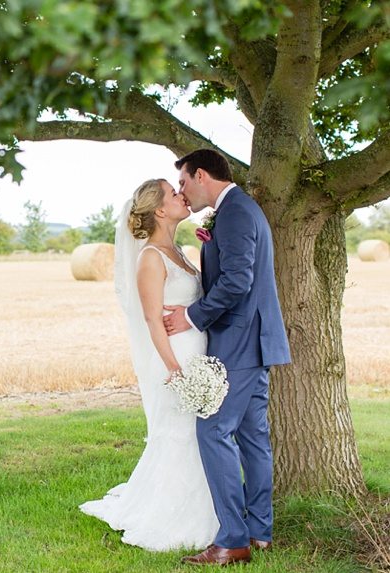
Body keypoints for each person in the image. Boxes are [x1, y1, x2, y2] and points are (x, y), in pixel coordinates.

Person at [163, 149, 291, 566]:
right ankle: (260, 532)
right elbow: (236, 272)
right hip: (254, 342)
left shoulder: (235, 212)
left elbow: (238, 281)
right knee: (253, 438)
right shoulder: (239, 210)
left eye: (183, 182)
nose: (182, 190)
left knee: (212, 431)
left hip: (237, 343)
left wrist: (192, 316)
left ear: (201, 175)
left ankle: (233, 539)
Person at [79, 178, 219, 551]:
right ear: (159, 209)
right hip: (174, 359)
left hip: (197, 353)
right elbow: (152, 320)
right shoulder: (150, 258)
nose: (181, 195)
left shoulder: (178, 251)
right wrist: (175, 368)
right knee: (180, 435)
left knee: (199, 437)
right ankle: (174, 518)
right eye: (173, 194)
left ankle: (212, 508)